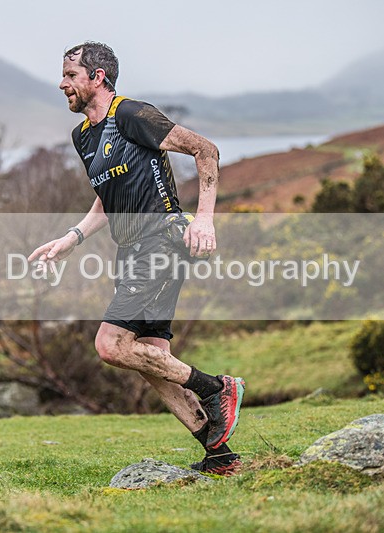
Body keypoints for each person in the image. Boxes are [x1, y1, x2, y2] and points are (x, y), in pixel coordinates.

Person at [28, 42, 245, 475]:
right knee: (149, 357)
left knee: (110, 345)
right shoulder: (83, 136)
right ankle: (221, 455)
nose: (62, 83)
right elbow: (106, 199)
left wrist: (203, 221)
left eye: (70, 75)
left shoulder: (131, 115)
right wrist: (70, 238)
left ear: (98, 78)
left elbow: (206, 150)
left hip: (162, 240)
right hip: (130, 252)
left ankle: (218, 388)